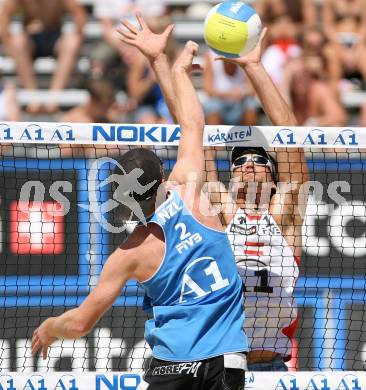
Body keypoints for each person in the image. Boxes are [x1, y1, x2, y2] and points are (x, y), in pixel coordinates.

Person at [32, 14, 248, 390]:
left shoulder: (131, 252)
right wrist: (175, 67)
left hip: (172, 367)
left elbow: (82, 322)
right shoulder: (191, 192)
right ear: (163, 177)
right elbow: (193, 123)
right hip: (226, 361)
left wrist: (49, 329)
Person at [205, 28, 309, 371]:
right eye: (239, 161)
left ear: (275, 181)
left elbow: (289, 134)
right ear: (230, 177)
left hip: (271, 367)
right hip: (222, 363)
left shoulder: (284, 213)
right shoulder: (220, 210)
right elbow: (197, 141)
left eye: (260, 160)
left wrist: (253, 67)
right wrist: (166, 67)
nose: (249, 165)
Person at [0, 0, 86, 114]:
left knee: (72, 42)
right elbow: (5, 14)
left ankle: (54, 98)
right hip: (30, 38)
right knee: (17, 42)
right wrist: (7, 43)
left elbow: (79, 13)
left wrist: (79, 36)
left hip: (55, 36)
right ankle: (33, 97)